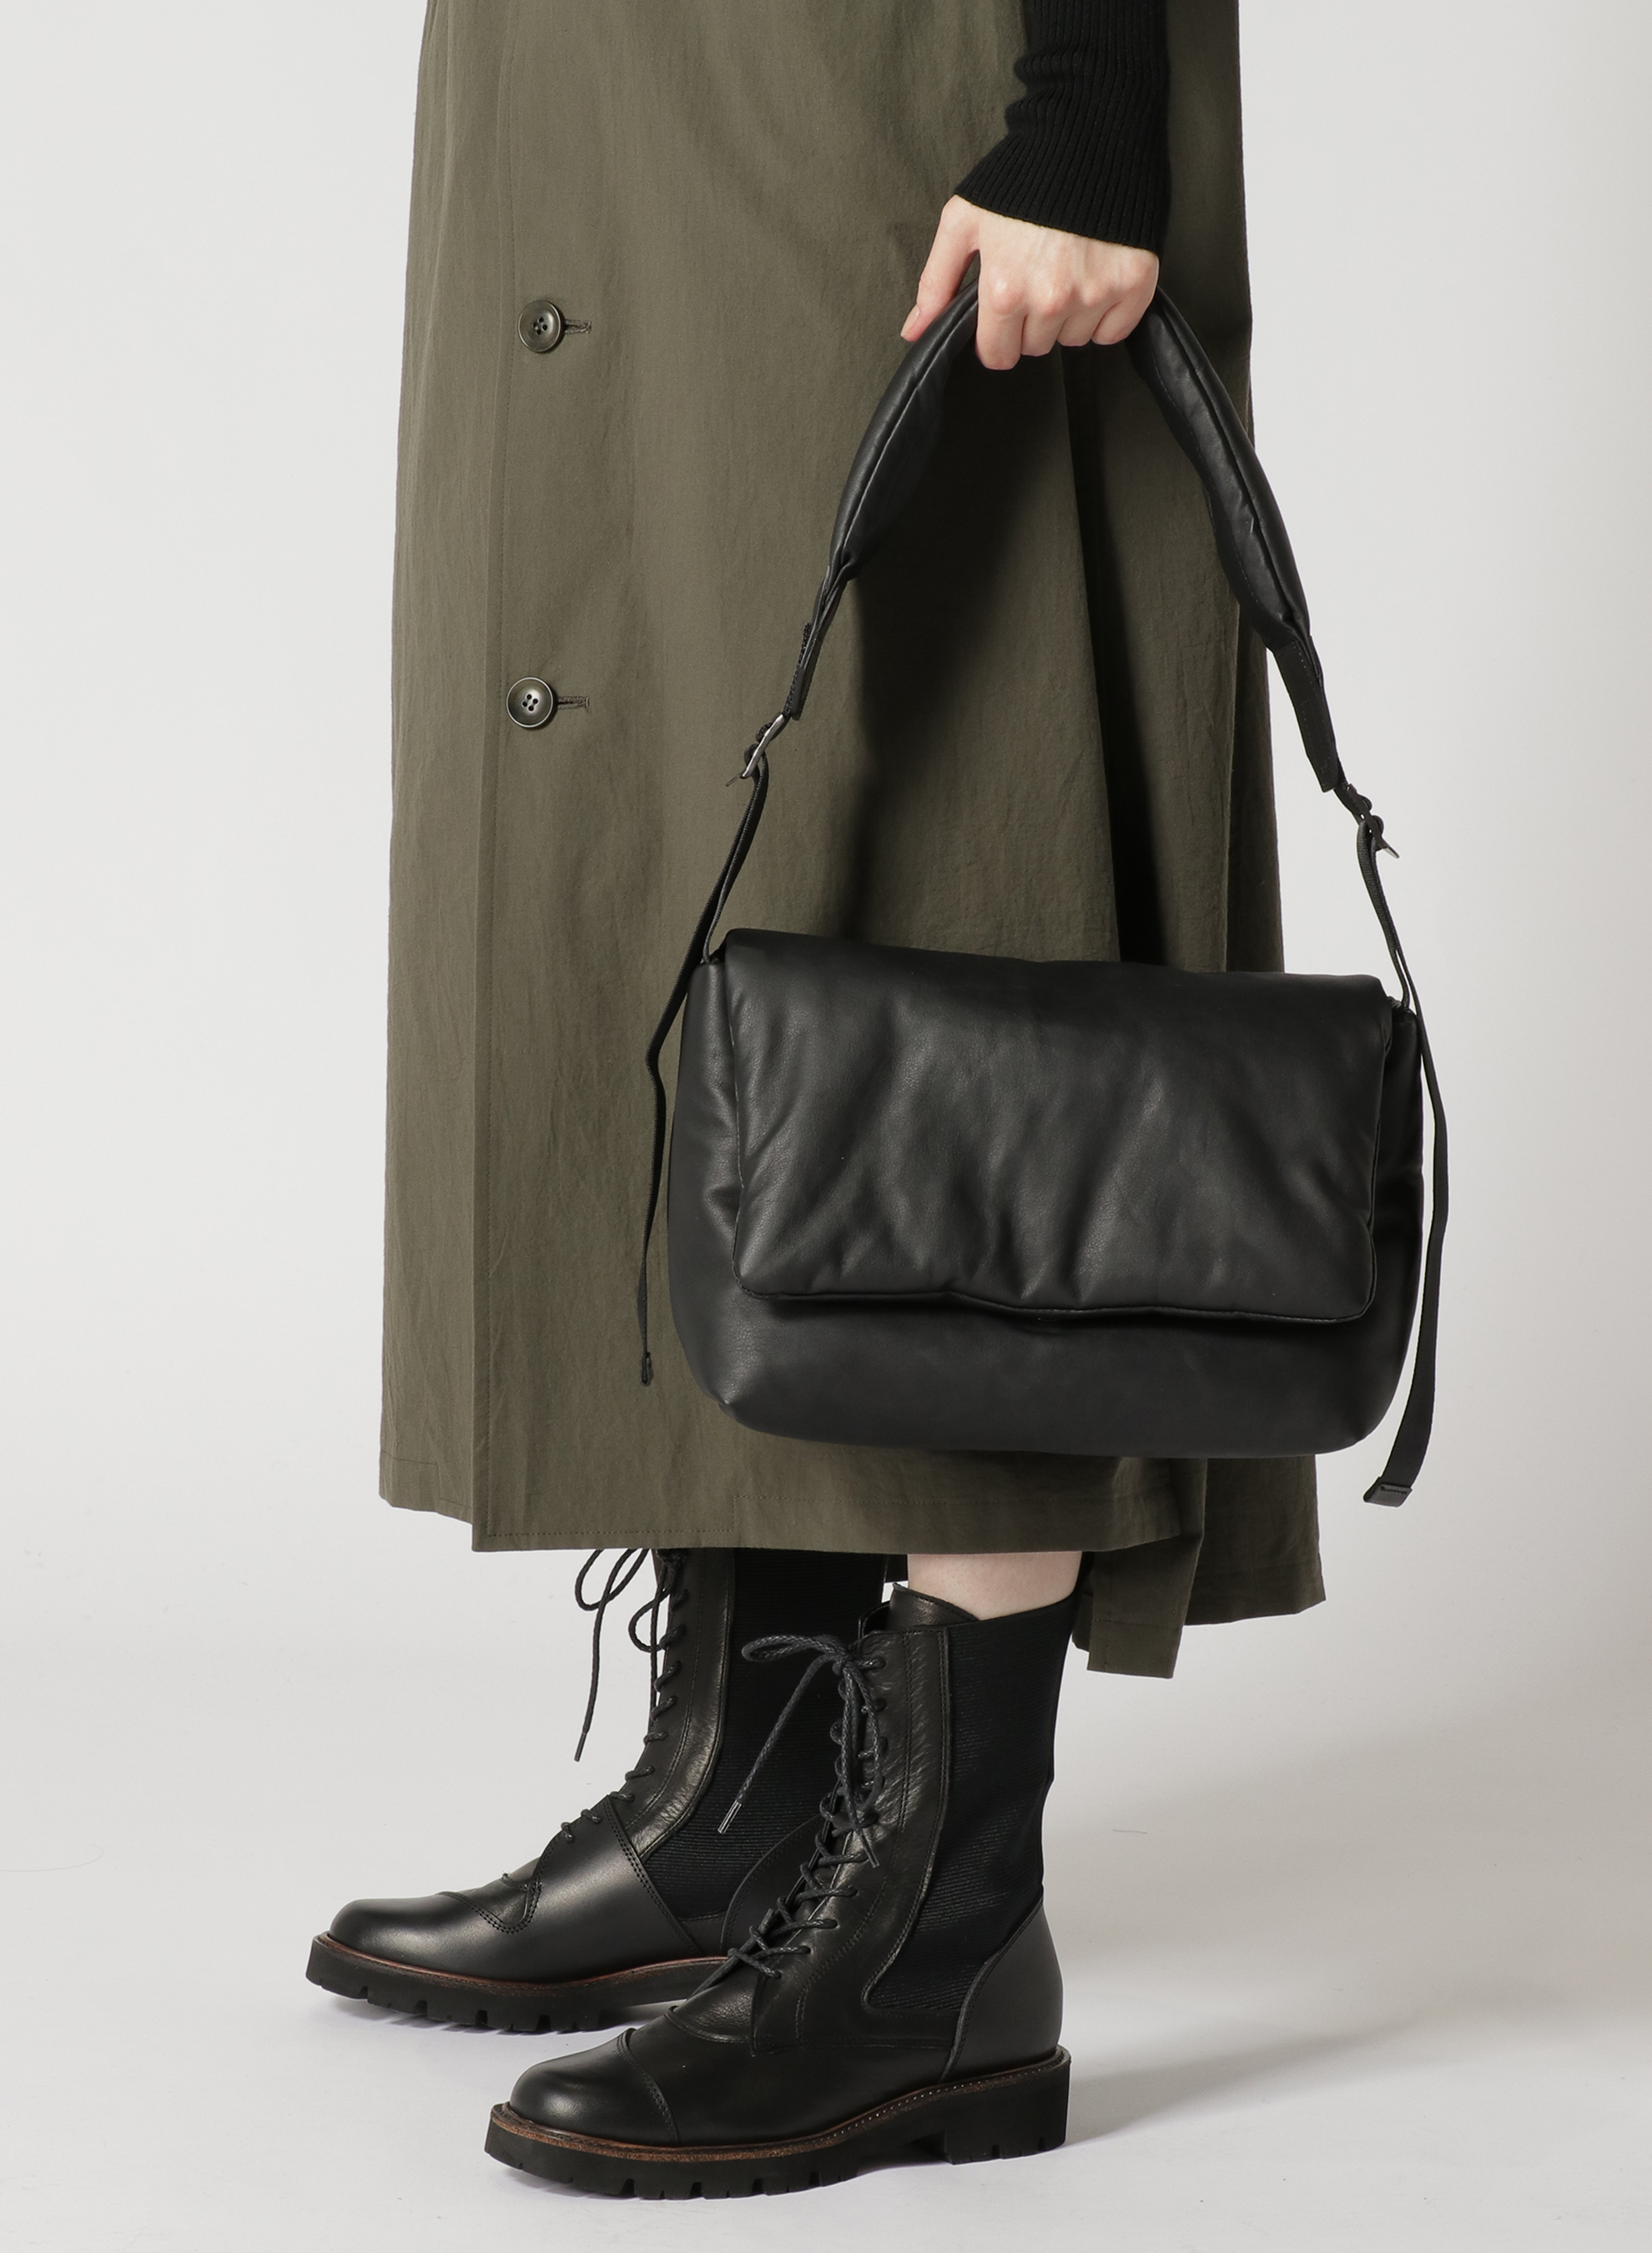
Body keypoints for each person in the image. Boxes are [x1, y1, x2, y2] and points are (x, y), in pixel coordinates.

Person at [307, 0, 1322, 2196]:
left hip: (891, 93)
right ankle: (746, 1804)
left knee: (952, 853)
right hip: (599, 110)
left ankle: (941, 1936)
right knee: (685, 855)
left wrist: (1086, 105)